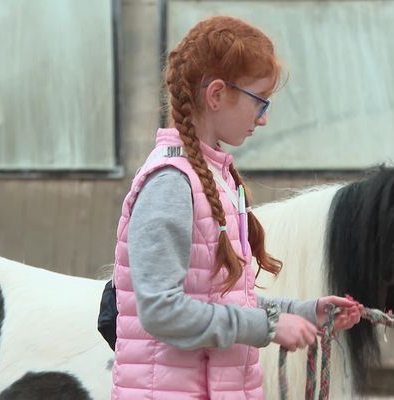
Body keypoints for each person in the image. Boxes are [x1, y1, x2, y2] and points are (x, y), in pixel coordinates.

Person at [110, 16, 362, 399]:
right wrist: (268, 326)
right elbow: (161, 312)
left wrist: (304, 310)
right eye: (259, 101)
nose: (263, 118)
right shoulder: (170, 185)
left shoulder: (212, 177)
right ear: (216, 95)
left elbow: (220, 300)